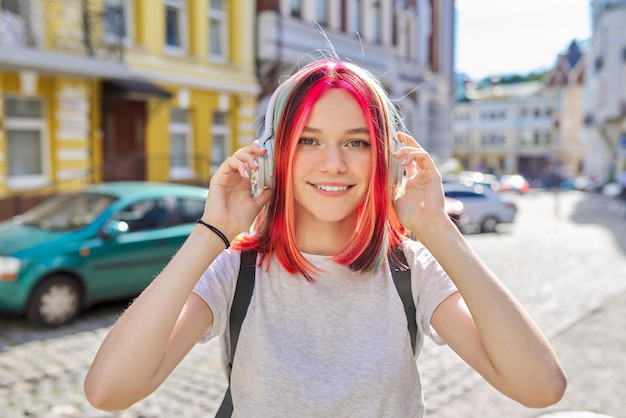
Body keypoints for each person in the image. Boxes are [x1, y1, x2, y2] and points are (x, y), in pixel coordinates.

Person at [84, 58, 566, 416]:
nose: (333, 162)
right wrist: (213, 232)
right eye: (308, 140)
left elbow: (540, 387)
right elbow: (110, 390)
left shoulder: (410, 271)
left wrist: (436, 227)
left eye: (356, 142)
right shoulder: (236, 272)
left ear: (384, 157)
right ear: (276, 156)